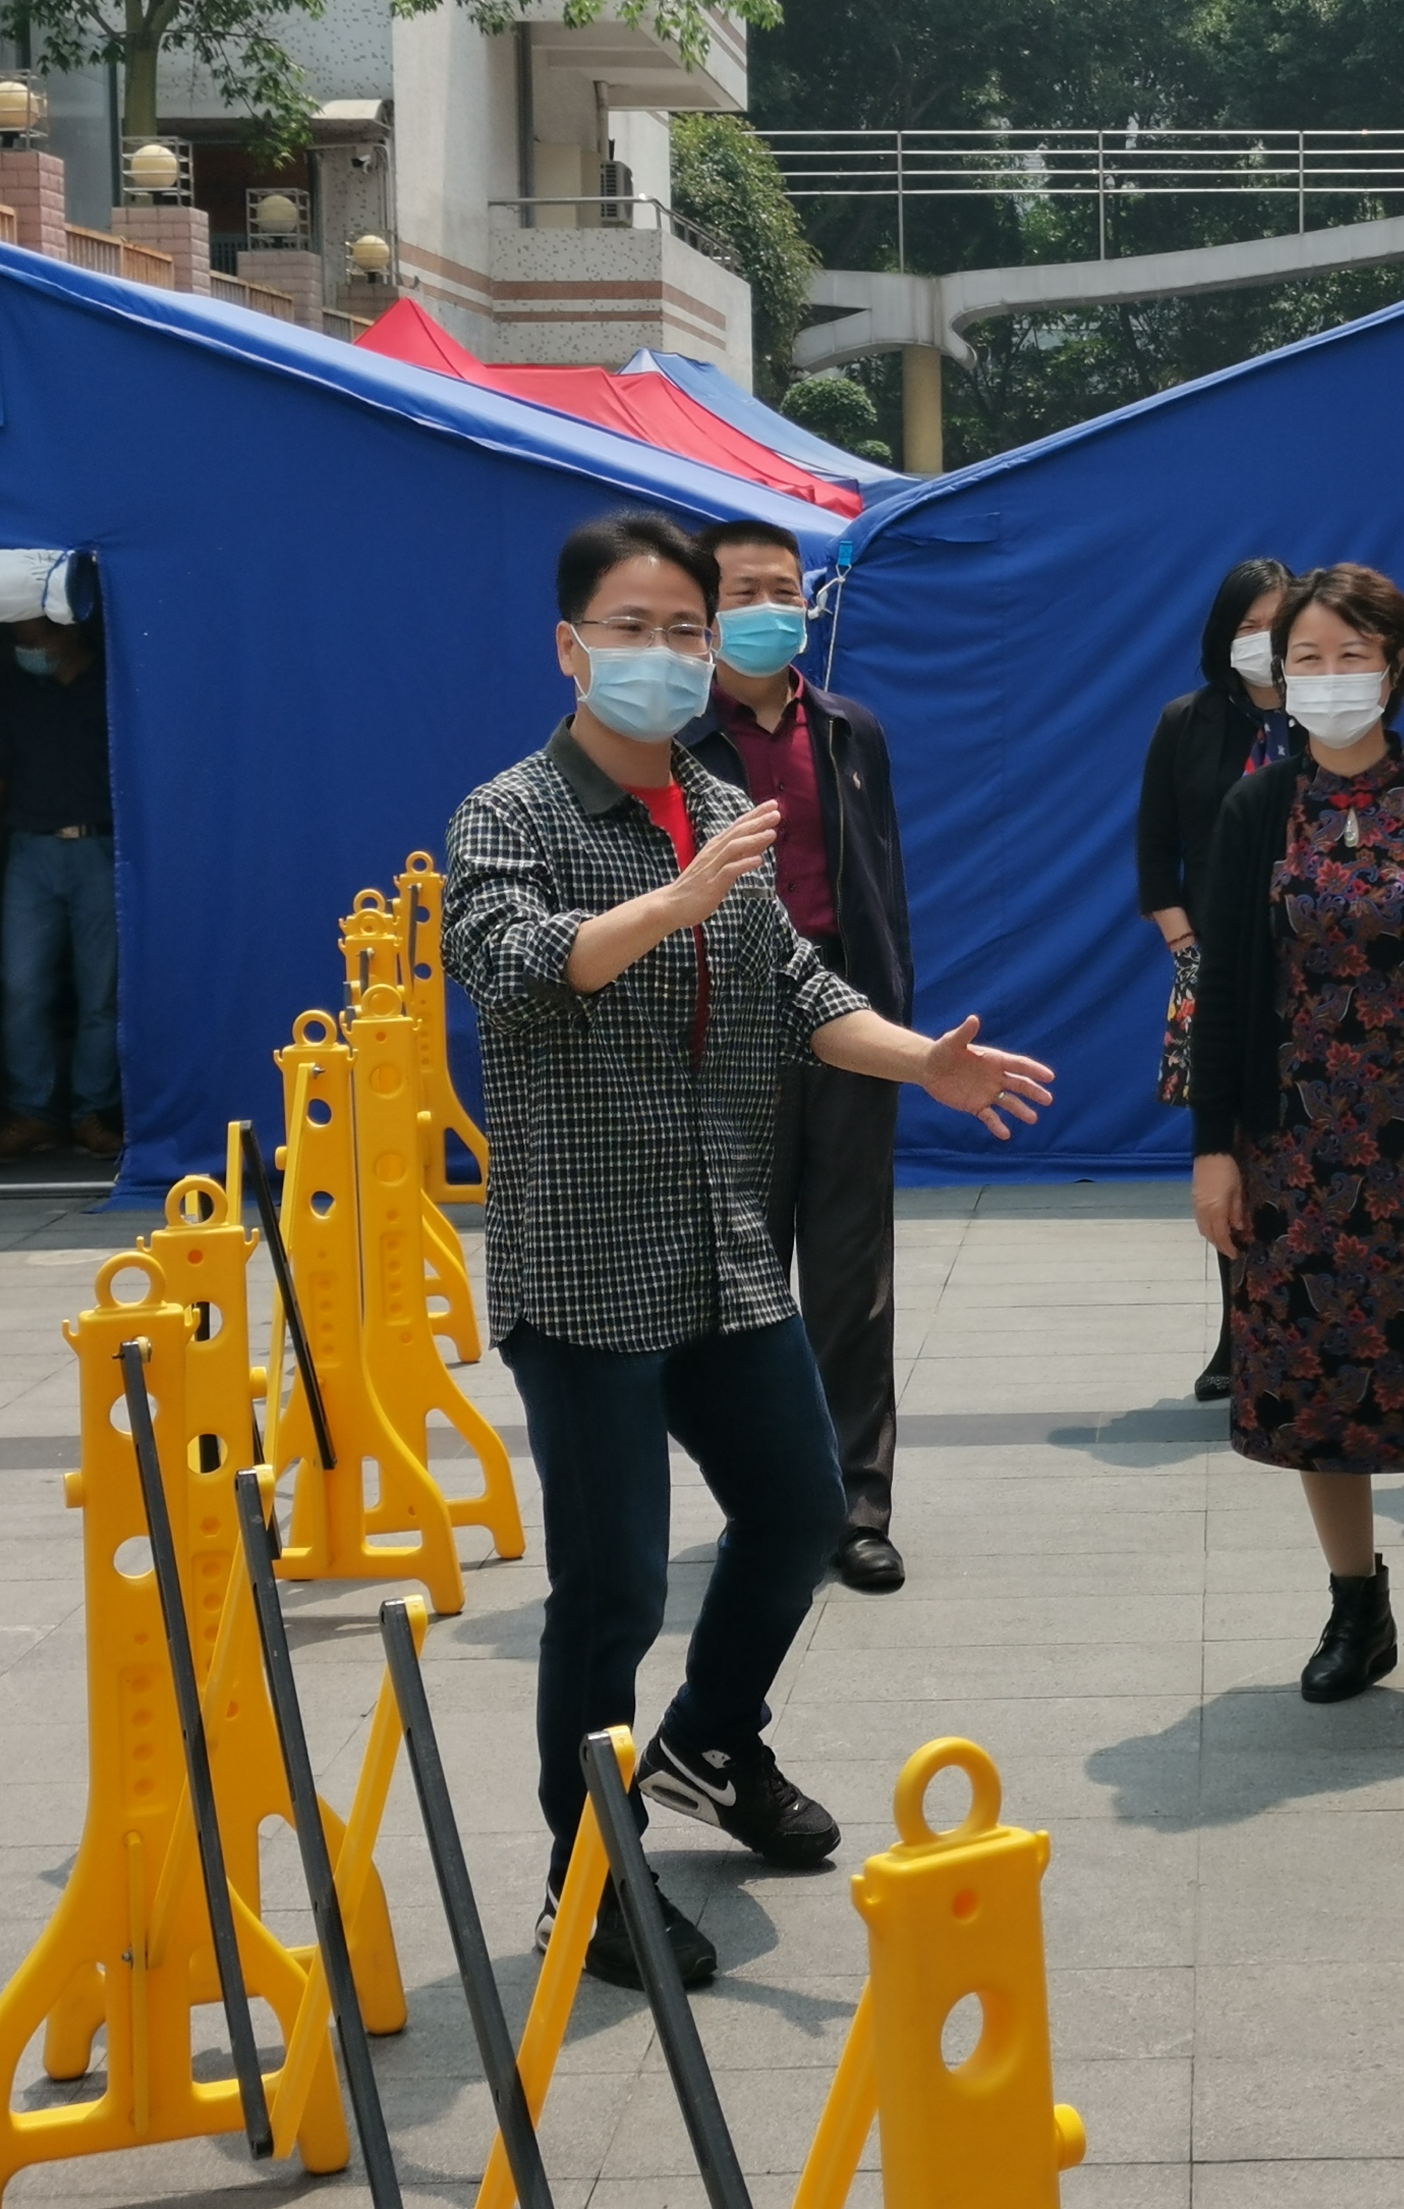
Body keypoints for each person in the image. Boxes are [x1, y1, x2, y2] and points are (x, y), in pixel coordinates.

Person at [443, 511, 1053, 1994]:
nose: (661, 654)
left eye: (684, 630)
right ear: (569, 647)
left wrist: (923, 1062)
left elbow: (796, 989)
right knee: (612, 1594)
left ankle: (710, 1742)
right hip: (589, 1267)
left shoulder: (718, 802)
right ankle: (586, 1879)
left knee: (797, 1514)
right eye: (631, 628)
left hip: (720, 1250)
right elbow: (512, 970)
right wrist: (671, 901)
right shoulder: (511, 814)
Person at [1189, 564, 1404, 1729]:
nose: (1330, 676)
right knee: (1313, 1389)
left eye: (1353, 655)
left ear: (1395, 666)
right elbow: (1225, 996)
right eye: (1309, 657)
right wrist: (1215, 1148)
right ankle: (1357, 1609)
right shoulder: (1256, 810)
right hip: (1293, 1152)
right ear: (1278, 674)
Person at [683, 520, 921, 1598]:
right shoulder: (675, 736)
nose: (771, 608)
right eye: (745, 591)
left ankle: (856, 1508)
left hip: (848, 1016)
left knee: (851, 1273)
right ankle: (770, 1499)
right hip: (723, 1027)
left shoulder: (849, 729)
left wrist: (897, 1021)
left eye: (786, 588)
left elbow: (882, 883)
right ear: (705, 612)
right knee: (738, 1278)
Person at [1136, 557, 1300, 1401]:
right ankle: (1240, 1335)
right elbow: (1155, 847)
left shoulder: (1331, 716)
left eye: (1277, 624)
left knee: (1310, 1146)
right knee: (1232, 1150)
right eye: (1247, 626)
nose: (1262, 641)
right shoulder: (1187, 721)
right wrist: (1185, 942)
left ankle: (1310, 1322)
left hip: (1319, 965)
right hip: (1219, 964)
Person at [0, 615, 120, 1163]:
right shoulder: (19, 693)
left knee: (101, 992)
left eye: (31, 640)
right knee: (23, 986)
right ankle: (32, 1113)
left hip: (100, 848)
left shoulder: (112, 686)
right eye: (18, 641)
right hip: (31, 852)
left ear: (67, 631)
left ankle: (91, 1113)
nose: (23, 650)